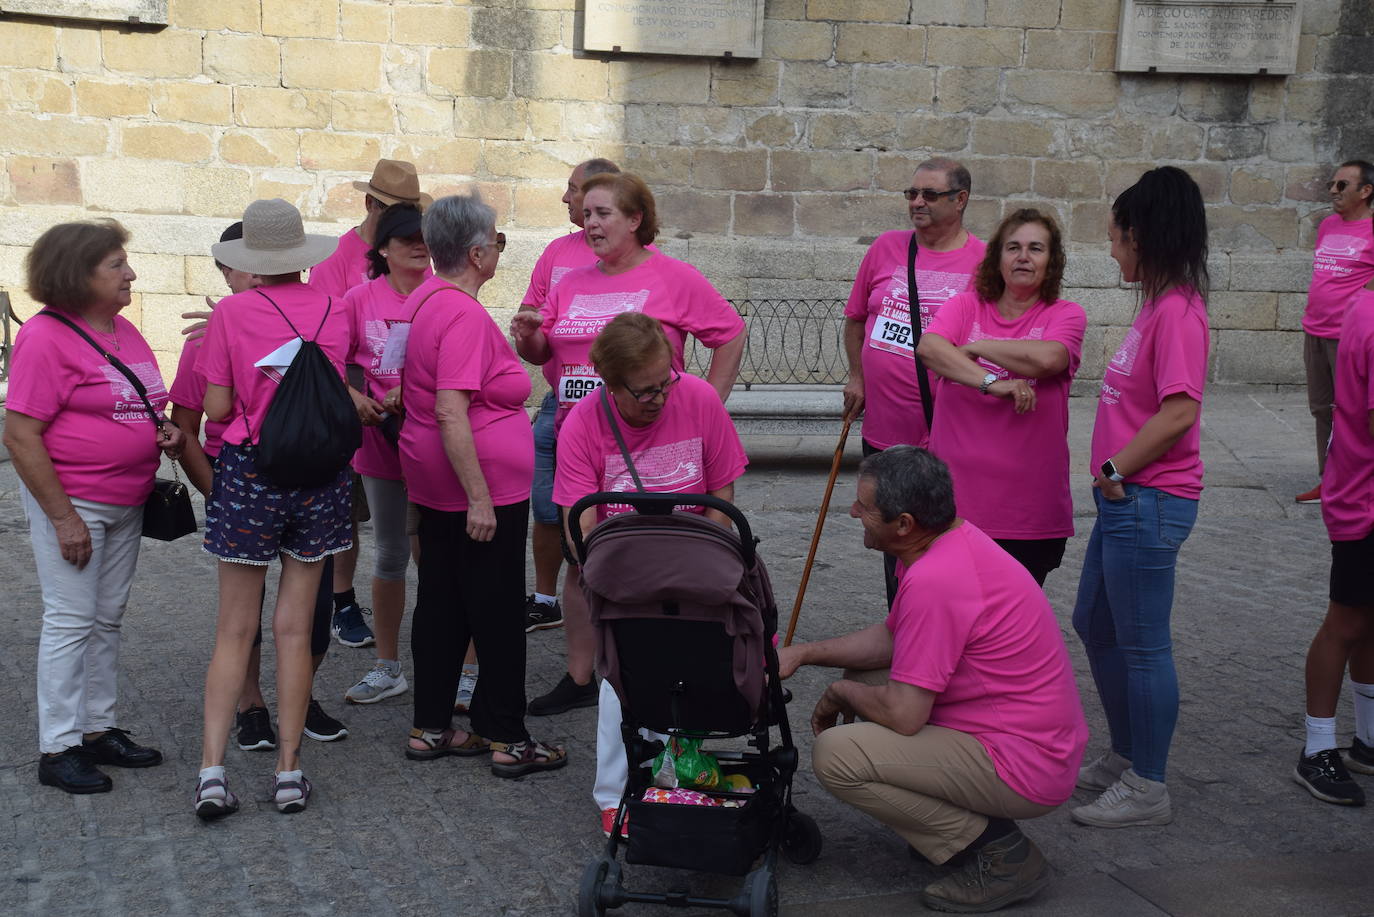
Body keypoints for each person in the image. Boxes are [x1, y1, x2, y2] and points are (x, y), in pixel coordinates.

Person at [778, 447, 1086, 914]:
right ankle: (952, 821)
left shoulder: (937, 580)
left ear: (904, 523)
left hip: (1026, 764)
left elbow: (904, 716)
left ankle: (1003, 855)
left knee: (837, 755)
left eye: (865, 507)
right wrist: (803, 653)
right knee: (867, 674)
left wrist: (840, 691)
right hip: (1023, 738)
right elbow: (889, 639)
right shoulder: (948, 541)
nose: (854, 512)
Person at [510, 171, 745, 717]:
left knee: (668, 550)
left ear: (635, 219)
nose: (589, 223)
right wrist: (529, 337)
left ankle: (663, 662)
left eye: (603, 213)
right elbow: (553, 356)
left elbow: (730, 332)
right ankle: (580, 673)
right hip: (584, 431)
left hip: (656, 432)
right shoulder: (570, 280)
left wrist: (710, 399)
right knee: (581, 554)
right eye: (586, 213)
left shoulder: (674, 276)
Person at [5, 220, 185, 794]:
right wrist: (63, 518)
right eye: (116, 265)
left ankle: (96, 728)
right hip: (75, 502)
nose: (130, 272)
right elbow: (20, 434)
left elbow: (140, 400)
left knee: (106, 617)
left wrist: (163, 433)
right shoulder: (44, 337)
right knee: (70, 620)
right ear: (78, 274)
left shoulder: (123, 330)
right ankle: (57, 747)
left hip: (126, 499)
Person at [553, 312, 748, 837]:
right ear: (611, 384)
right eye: (645, 391)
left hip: (697, 571)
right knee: (623, 668)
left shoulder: (699, 399)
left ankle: (681, 764)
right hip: (626, 581)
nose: (660, 396)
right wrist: (611, 577)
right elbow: (581, 523)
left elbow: (721, 496)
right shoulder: (583, 424)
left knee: (706, 659)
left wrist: (703, 565)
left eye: (666, 382)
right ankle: (614, 794)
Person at [396, 192, 566, 778]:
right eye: (496, 242)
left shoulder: (424, 298)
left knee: (442, 602)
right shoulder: (463, 314)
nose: (497, 250)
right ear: (475, 252)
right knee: (495, 611)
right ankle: (507, 737)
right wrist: (479, 498)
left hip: (434, 478)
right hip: (480, 488)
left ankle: (431, 725)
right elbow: (451, 410)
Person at [193, 198, 352, 818]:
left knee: (235, 629)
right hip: (320, 477)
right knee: (294, 628)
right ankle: (289, 772)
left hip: (252, 474)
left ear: (252, 260)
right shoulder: (339, 309)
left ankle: (212, 773)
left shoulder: (232, 313)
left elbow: (215, 408)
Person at [1071, 166, 1210, 828]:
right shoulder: (1156, 305)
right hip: (1126, 498)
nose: (1113, 249)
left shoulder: (1179, 312)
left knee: (1144, 642)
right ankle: (1128, 753)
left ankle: (1149, 782)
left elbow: (1180, 412)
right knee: (1096, 623)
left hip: (1148, 499)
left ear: (1143, 234)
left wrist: (1112, 465)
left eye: (1118, 237)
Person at [843, 157, 986, 606]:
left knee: (945, 541)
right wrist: (856, 376)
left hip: (948, 432)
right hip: (884, 431)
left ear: (960, 200)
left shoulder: (983, 261)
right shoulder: (886, 247)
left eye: (930, 194)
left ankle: (944, 628)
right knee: (893, 542)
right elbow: (855, 319)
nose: (917, 202)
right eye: (912, 194)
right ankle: (903, 628)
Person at [916, 209, 1085, 586]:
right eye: (1013, 247)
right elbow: (930, 348)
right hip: (954, 505)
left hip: (1027, 513)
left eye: (1036, 248)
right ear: (997, 258)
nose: (1023, 256)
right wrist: (993, 383)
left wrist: (977, 347)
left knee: (1010, 629)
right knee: (949, 617)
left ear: (1051, 261)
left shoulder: (1066, 315)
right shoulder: (964, 306)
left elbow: (1048, 358)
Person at [311, 158, 432, 648]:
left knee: (403, 523)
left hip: (403, 416)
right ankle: (343, 600)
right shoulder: (336, 264)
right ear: (369, 205)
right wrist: (352, 394)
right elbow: (320, 338)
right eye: (395, 211)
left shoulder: (422, 266)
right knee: (348, 514)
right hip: (352, 410)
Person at [518, 157, 623, 637]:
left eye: (572, 189)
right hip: (556, 402)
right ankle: (545, 598)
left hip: (615, 412)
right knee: (545, 505)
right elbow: (532, 315)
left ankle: (606, 597)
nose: (565, 198)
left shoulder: (636, 258)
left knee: (605, 508)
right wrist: (528, 329)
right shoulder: (556, 253)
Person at [340, 203, 429, 704]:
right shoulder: (359, 299)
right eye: (407, 238)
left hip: (436, 445)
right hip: (381, 443)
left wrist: (414, 393)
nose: (420, 245)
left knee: (437, 558)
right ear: (383, 249)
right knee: (391, 553)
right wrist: (356, 399)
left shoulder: (446, 296)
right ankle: (388, 666)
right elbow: (330, 359)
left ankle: (456, 665)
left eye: (425, 237)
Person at [1293, 279, 1374, 806]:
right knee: (1345, 621)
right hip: (1365, 500)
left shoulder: (1363, 302)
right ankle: (1317, 748)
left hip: (1358, 488)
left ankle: (1367, 739)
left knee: (1368, 615)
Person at [1295, 160, 1374, 504]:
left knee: (1353, 412)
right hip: (1315, 330)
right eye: (1332, 184)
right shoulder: (1328, 225)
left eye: (1342, 185)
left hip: (1349, 339)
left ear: (1366, 191)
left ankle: (1357, 481)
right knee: (1322, 409)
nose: (1332, 191)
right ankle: (1329, 479)